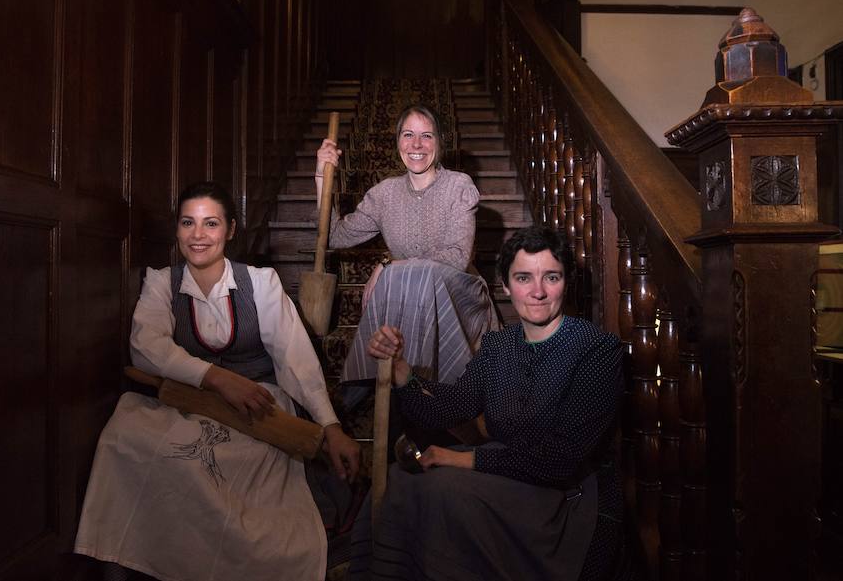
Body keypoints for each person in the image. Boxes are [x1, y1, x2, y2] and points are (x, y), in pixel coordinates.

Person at [74, 182, 360, 581]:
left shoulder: (260, 283)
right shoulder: (161, 282)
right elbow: (145, 348)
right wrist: (216, 377)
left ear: (231, 229)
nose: (198, 235)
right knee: (123, 437)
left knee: (227, 470)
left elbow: (296, 359)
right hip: (190, 400)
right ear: (177, 230)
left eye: (211, 224)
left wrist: (329, 426)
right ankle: (123, 558)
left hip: (259, 401)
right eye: (188, 223)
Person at [362, 226, 625, 581]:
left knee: (442, 490)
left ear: (566, 282)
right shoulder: (498, 346)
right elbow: (444, 408)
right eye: (523, 277)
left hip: (566, 499)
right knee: (401, 480)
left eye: (551, 277)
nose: (537, 292)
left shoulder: (595, 349)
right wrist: (401, 372)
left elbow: (560, 460)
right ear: (505, 286)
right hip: (506, 479)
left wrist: (456, 458)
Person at [315, 104, 499, 407]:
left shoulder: (458, 186)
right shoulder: (385, 194)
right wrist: (322, 178)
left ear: (439, 143)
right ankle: (398, 394)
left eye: (426, 136)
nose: (416, 145)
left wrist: (389, 265)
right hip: (409, 297)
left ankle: (371, 390)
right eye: (408, 135)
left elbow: (457, 256)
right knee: (408, 282)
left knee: (411, 278)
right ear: (397, 142)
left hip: (459, 295)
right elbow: (335, 236)